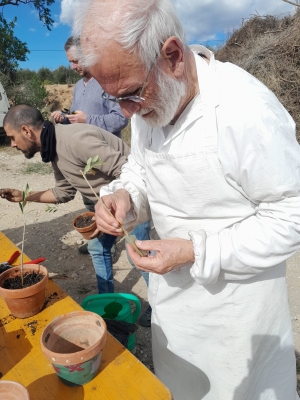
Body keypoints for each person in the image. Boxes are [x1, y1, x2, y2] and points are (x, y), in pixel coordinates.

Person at [74, 0, 300, 399]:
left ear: (173, 56)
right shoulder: (151, 104)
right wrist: (124, 196)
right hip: (175, 310)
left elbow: (291, 214)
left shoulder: (245, 110)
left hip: (238, 321)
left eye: (130, 95)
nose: (127, 114)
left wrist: (196, 251)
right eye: (115, 101)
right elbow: (142, 171)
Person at [0, 104, 130, 294]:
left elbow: (126, 169)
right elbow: (63, 193)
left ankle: (155, 306)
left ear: (26, 131)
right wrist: (24, 196)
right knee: (97, 248)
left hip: (132, 200)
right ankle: (107, 299)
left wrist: (112, 204)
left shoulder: (75, 140)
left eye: (12, 138)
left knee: (140, 255)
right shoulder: (53, 147)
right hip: (107, 205)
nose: (12, 144)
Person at [51, 36, 128, 257]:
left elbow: (120, 119)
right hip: (83, 160)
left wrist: (88, 120)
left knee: (112, 204)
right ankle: (100, 241)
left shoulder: (107, 82)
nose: (72, 66)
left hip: (105, 159)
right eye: (70, 62)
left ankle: (109, 243)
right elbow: (76, 117)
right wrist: (63, 117)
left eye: (75, 61)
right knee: (92, 204)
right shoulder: (77, 86)